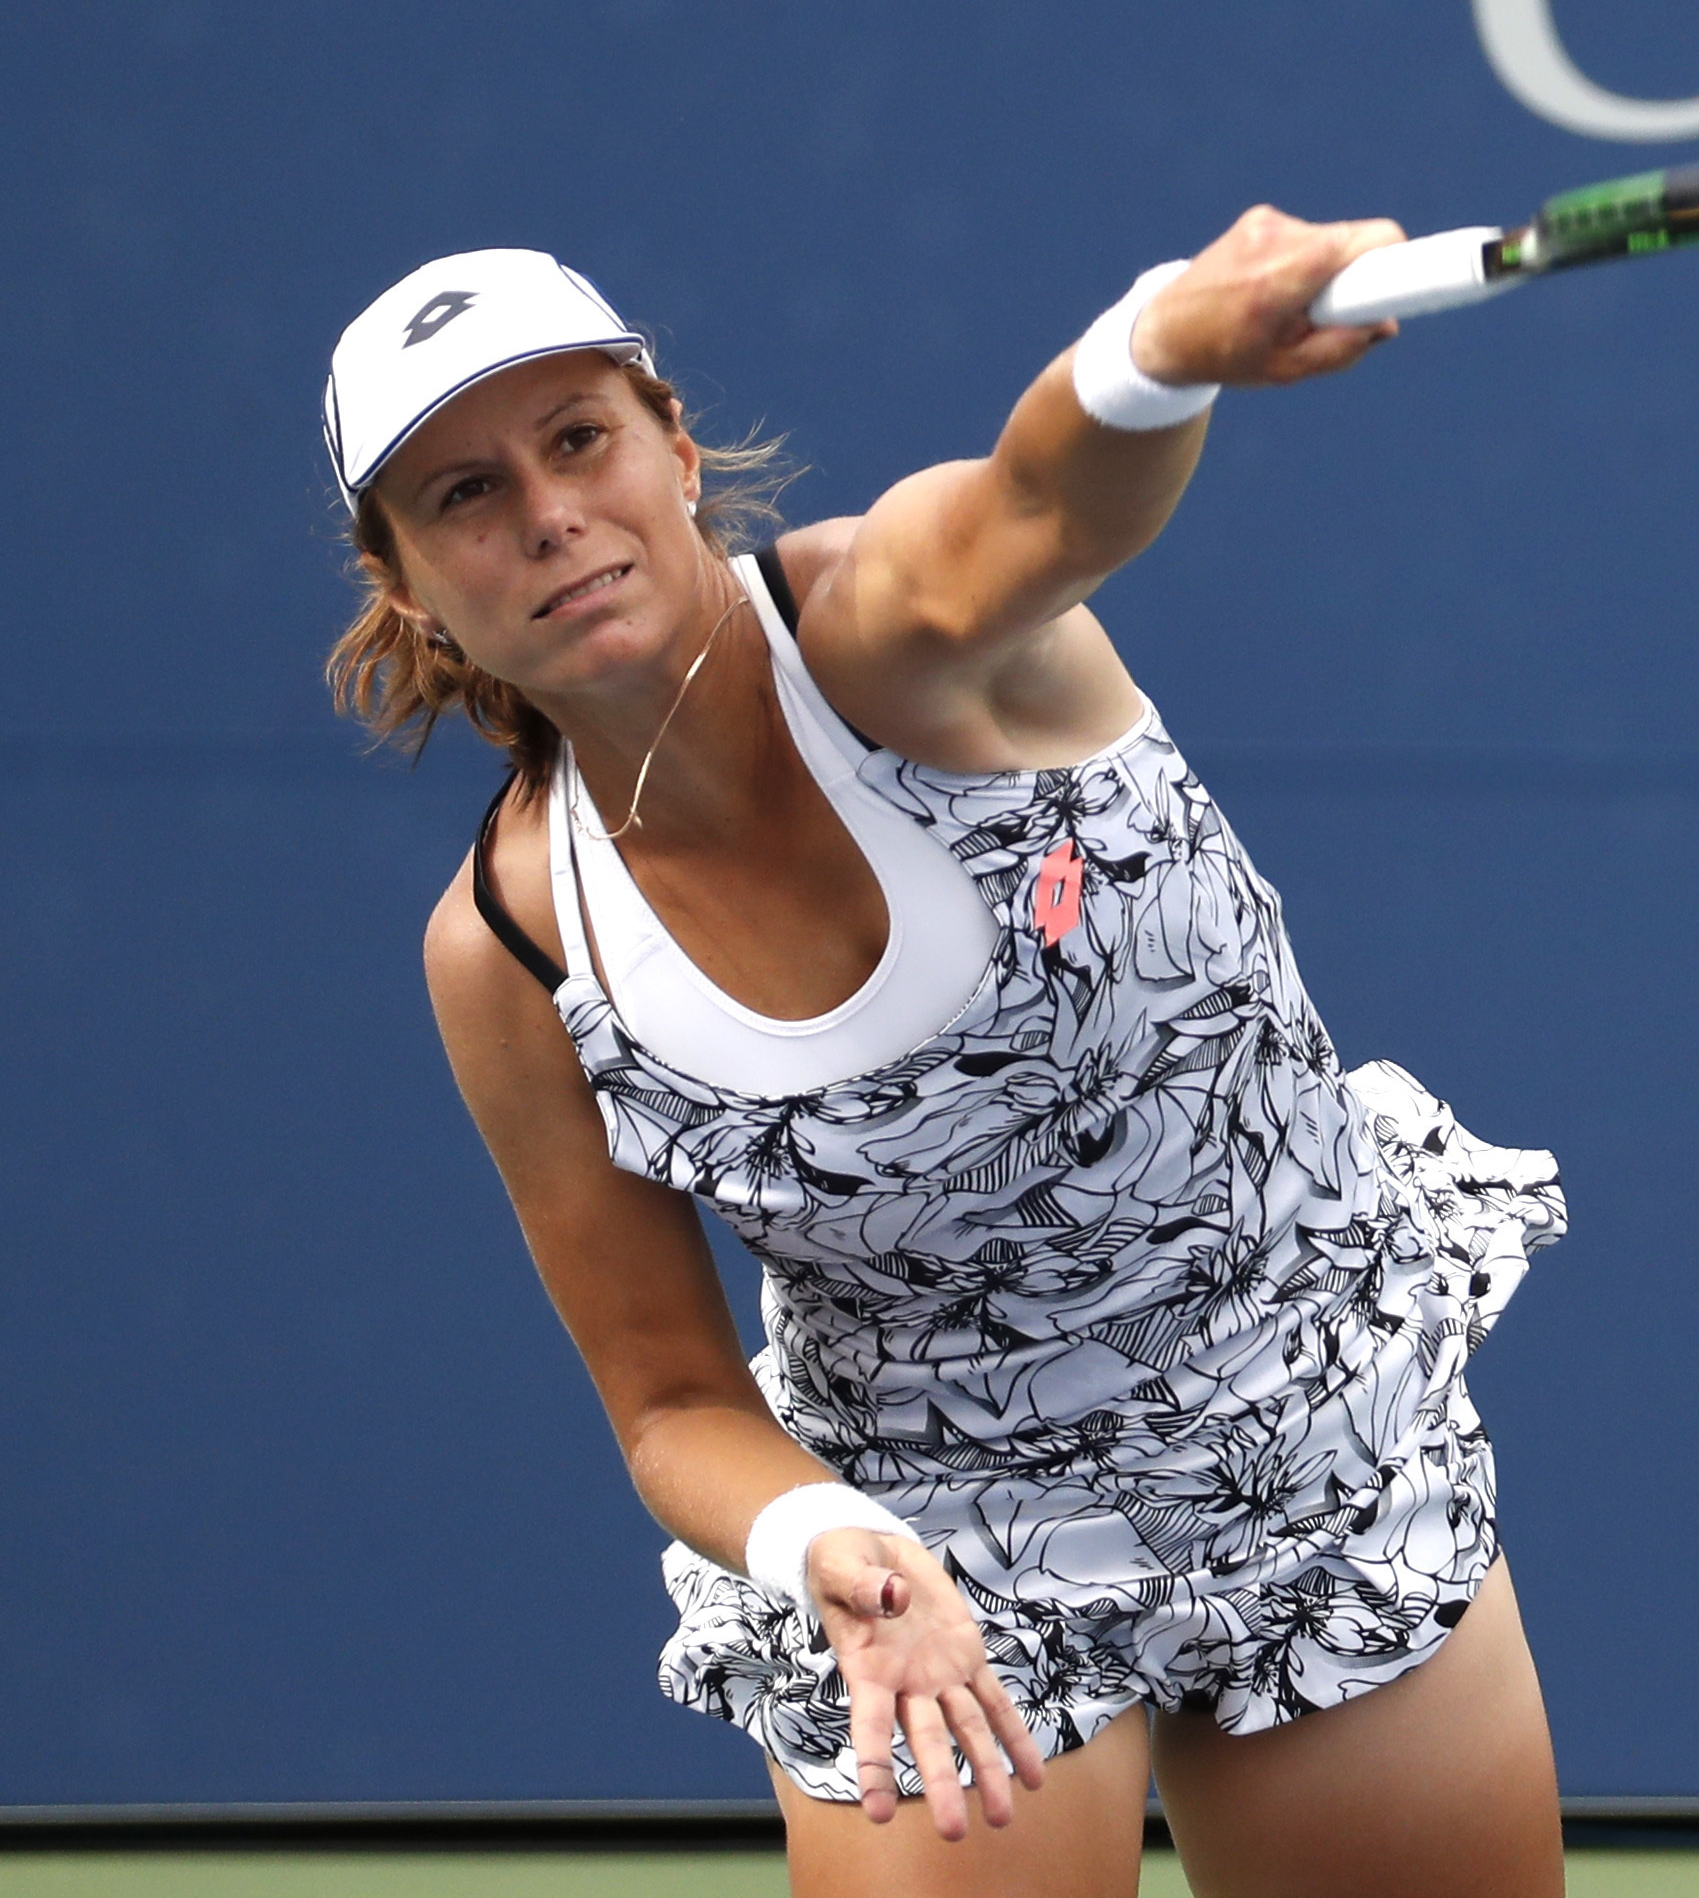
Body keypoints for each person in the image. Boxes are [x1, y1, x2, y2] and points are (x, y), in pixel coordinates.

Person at [341, 212, 1570, 1897]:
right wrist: (826, 1538)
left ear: (675, 451)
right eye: (465, 492)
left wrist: (1163, 344)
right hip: (935, 1528)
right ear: (408, 582)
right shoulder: (508, 947)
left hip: (1296, 1397)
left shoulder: (890, 631)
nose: (549, 513)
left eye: (578, 440)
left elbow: (1046, 498)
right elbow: (674, 1400)